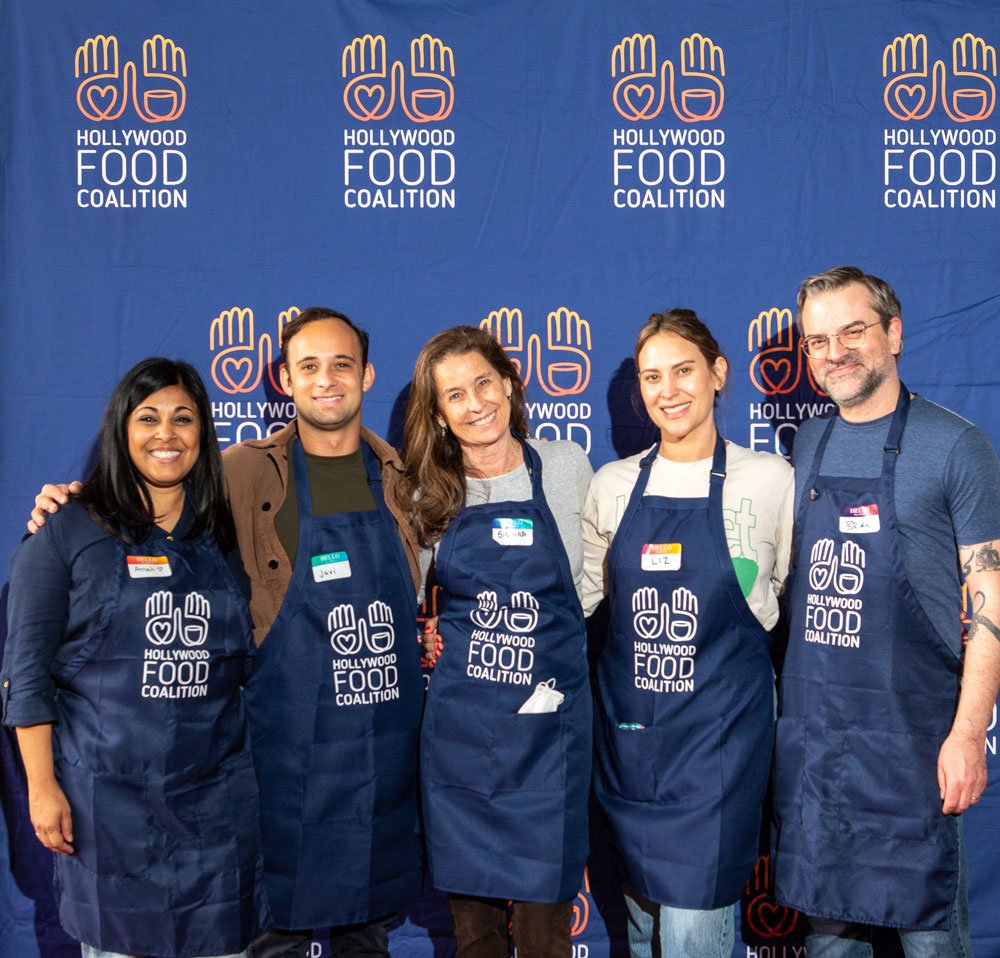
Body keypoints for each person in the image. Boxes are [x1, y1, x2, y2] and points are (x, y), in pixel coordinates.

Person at [29, 308, 426, 958]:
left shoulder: (406, 480)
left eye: (342, 365)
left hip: (376, 765)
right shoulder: (240, 471)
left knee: (367, 936)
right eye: (309, 366)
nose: (326, 380)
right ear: (285, 380)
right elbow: (150, 513)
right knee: (269, 938)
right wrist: (70, 505)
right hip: (276, 760)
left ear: (367, 375)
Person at [2, 358, 267, 958]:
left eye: (183, 418)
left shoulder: (219, 538)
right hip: (110, 814)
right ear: (121, 429)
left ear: (204, 433)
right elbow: (26, 677)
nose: (166, 435)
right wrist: (42, 788)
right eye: (148, 418)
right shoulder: (63, 533)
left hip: (216, 814)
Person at [771, 266, 1000, 957]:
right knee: (830, 942)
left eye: (853, 331)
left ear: (893, 334)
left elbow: (990, 603)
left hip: (914, 750)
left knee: (932, 942)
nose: (835, 352)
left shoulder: (956, 445)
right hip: (824, 752)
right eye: (817, 341)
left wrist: (968, 735)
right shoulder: (808, 444)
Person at [581, 310, 793, 958]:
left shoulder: (769, 480)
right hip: (634, 752)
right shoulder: (613, 485)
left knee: (695, 934)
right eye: (652, 377)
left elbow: (785, 599)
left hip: (720, 755)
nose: (668, 390)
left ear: (717, 372)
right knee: (643, 932)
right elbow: (592, 605)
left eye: (683, 371)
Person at [404, 325, 592, 958]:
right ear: (437, 413)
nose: (475, 403)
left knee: (545, 939)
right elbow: (398, 598)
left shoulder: (565, 466)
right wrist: (423, 636)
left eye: (484, 383)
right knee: (475, 936)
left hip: (550, 741)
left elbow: (591, 587)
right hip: (464, 741)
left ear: (510, 384)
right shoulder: (425, 491)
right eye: (454, 395)